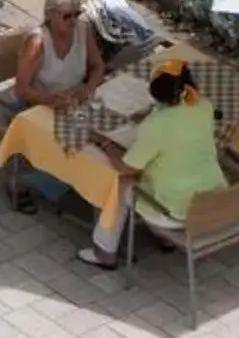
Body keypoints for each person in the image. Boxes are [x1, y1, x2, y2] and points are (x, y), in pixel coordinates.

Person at [77, 58, 225, 271]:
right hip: (213, 201)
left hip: (178, 213)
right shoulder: (203, 106)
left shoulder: (155, 126)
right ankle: (161, 238)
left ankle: (104, 252)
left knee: (122, 182)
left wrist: (102, 140)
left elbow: (126, 167)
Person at [6, 0, 106, 214]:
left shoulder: (83, 29)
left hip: (76, 101)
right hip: (41, 105)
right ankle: (23, 182)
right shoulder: (38, 42)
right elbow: (21, 89)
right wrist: (50, 100)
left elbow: (98, 66)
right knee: (78, 150)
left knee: (105, 140)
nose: (72, 21)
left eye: (76, 14)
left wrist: (88, 87)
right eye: (66, 15)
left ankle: (86, 186)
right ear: (50, 15)